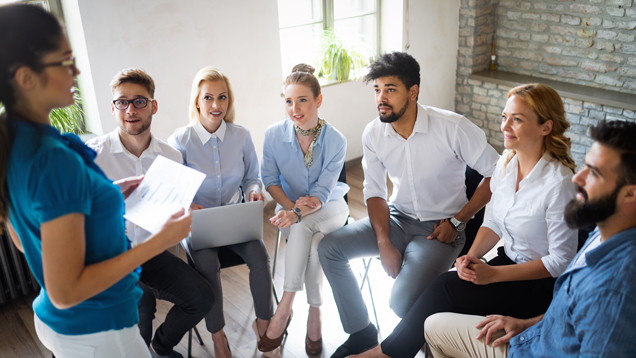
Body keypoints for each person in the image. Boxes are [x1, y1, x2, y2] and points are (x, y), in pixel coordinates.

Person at [0, 5, 192, 358]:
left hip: (61, 323)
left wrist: (104, 195)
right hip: (99, 327)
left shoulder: (13, 140)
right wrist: (161, 240)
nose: (75, 70)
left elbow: (27, 240)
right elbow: (67, 290)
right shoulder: (55, 158)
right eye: (64, 61)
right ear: (26, 77)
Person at [351, 83, 579, 358]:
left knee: (443, 291)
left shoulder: (560, 184)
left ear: (546, 127)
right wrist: (470, 258)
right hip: (507, 263)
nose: (506, 126)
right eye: (505, 117)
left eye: (517, 119)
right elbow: (493, 222)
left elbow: (560, 262)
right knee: (445, 291)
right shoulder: (507, 163)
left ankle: (384, 354)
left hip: (542, 284)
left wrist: (493, 274)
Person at [317, 51, 500, 358]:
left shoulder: (452, 127)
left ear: (413, 91)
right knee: (329, 248)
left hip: (440, 229)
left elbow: (499, 172)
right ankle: (362, 332)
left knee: (401, 302)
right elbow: (373, 191)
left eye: (390, 89)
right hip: (397, 219)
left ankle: (434, 344)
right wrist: (383, 240)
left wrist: (459, 220)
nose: (380, 98)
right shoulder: (374, 132)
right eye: (377, 89)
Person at [424, 119, 636, 357]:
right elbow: (573, 309)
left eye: (594, 172)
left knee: (434, 326)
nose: (578, 178)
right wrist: (529, 324)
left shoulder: (615, 290)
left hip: (533, 351)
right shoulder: (605, 231)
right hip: (532, 335)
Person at [86, 68, 214, 358]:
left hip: (150, 252)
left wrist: (183, 208)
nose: (130, 110)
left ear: (153, 106)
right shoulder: (92, 155)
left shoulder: (170, 156)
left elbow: (167, 209)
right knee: (140, 301)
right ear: (113, 107)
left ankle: (160, 346)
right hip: (109, 258)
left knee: (202, 297)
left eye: (139, 102)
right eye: (122, 102)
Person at [167, 66, 272, 358]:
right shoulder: (180, 140)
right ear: (197, 101)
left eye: (222, 97)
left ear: (229, 100)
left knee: (260, 257)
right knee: (207, 267)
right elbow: (174, 190)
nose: (216, 105)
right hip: (198, 226)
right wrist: (186, 204)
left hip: (234, 219)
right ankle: (218, 336)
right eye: (209, 98)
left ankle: (264, 327)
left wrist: (254, 191)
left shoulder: (241, 135)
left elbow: (253, 176)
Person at [259, 63, 350, 355]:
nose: (295, 108)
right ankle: (315, 312)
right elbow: (270, 181)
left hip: (332, 207)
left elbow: (323, 192)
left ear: (318, 100)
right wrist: (290, 209)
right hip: (294, 212)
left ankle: (284, 306)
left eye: (302, 100)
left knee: (303, 225)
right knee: (311, 238)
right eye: (288, 101)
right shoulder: (273, 135)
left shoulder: (336, 140)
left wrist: (296, 214)